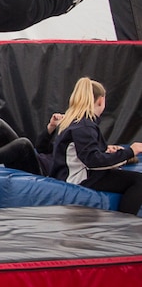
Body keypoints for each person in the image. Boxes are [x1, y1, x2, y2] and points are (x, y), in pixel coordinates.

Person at [49, 77, 142, 216]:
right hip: (77, 179)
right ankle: (125, 222)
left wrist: (108, 151)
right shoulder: (84, 125)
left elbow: (84, 153)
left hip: (71, 174)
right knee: (139, 181)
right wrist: (131, 151)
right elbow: (93, 161)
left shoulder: (74, 121)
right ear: (100, 100)